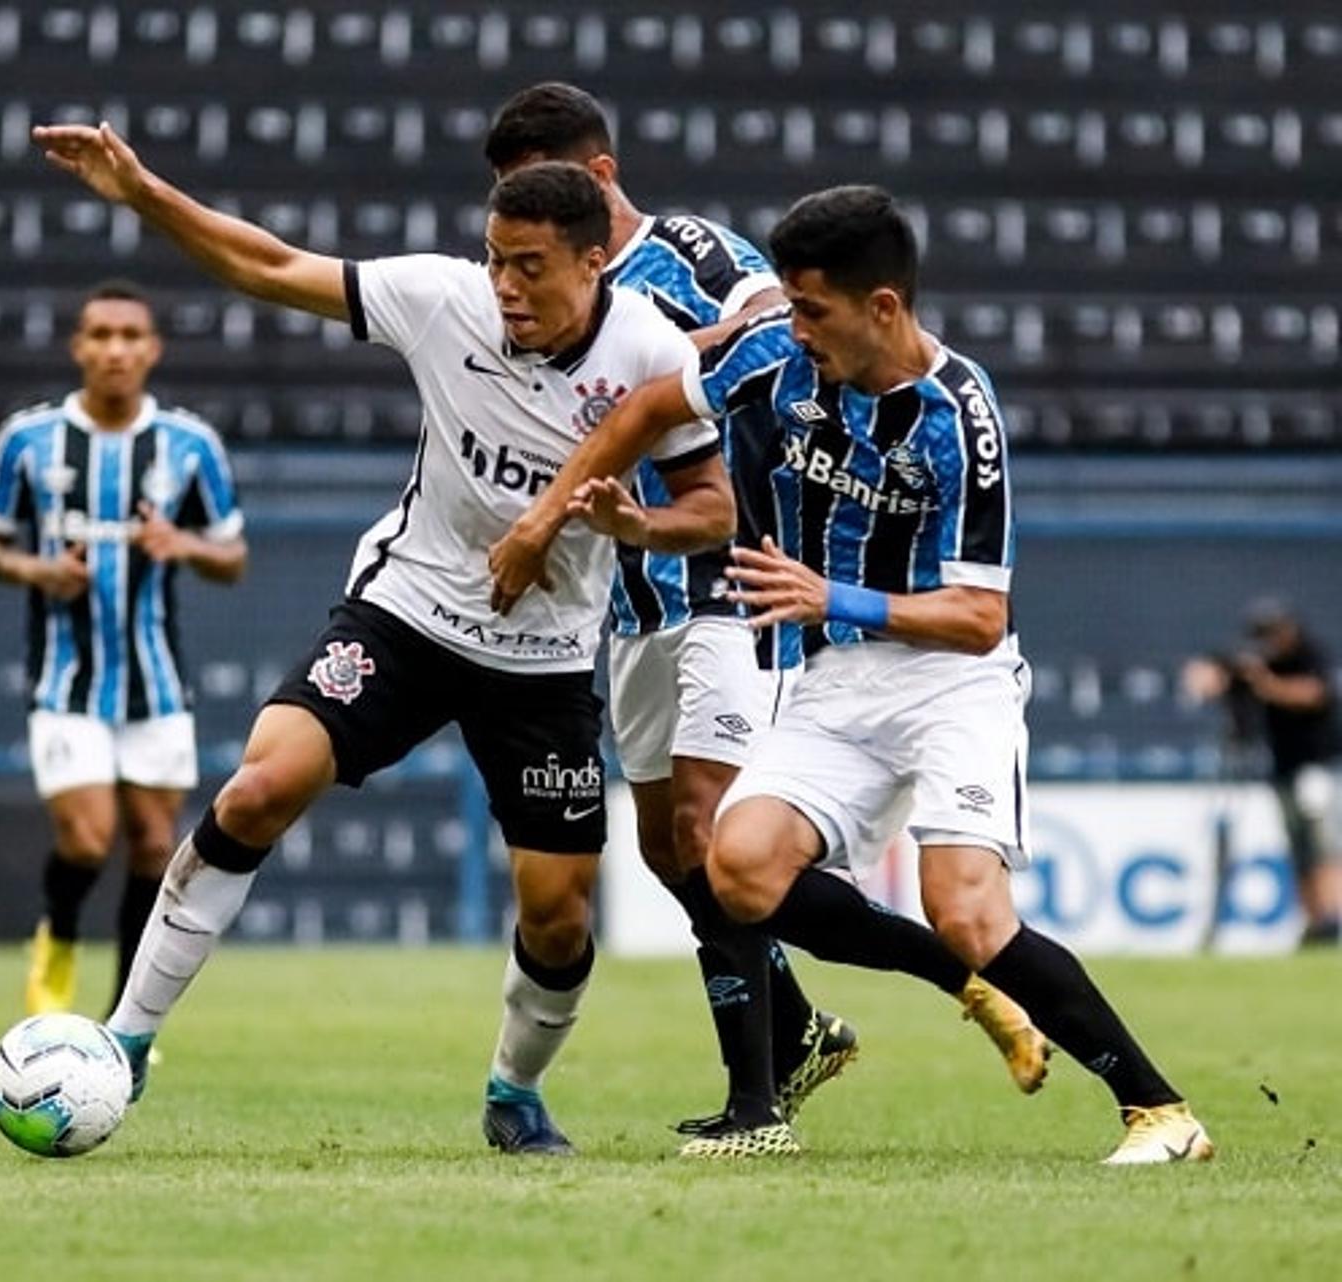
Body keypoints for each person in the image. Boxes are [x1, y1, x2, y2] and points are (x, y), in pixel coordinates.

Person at [35, 119, 732, 1155]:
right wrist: (144, 195)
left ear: (595, 262)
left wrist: (637, 527)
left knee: (557, 914)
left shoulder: (650, 354)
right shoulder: (443, 298)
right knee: (259, 787)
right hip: (407, 609)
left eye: (530, 267)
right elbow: (268, 264)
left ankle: (514, 1089)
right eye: (497, 258)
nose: (504, 285)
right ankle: (125, 1041)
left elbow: (712, 510)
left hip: (542, 659)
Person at [491, 185, 1212, 1165]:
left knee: (964, 908)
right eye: (788, 306)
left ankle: (1159, 1108)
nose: (794, 329)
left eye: (812, 310)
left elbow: (979, 616)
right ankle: (873, 1029)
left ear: (884, 308)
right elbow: (657, 404)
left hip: (950, 679)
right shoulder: (775, 359)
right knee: (736, 868)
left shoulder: (959, 415)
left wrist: (835, 595)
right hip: (835, 680)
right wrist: (572, 514)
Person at [483, 84, 1045, 1157]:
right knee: (675, 855)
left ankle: (764, 1100)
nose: (520, 251)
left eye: (541, 210)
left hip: (726, 581)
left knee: (708, 827)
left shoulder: (691, 254)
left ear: (596, 181)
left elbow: (774, 332)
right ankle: (798, 1033)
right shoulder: (519, 285)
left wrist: (666, 359)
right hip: (633, 592)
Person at [0, 281, 249, 1017]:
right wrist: (36, 569)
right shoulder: (28, 441)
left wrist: (179, 543)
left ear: (152, 349)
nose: (116, 349)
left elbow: (232, 557)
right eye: (100, 335)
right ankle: (58, 937)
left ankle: (125, 1015)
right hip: (65, 681)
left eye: (131, 336)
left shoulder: (189, 446)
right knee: (89, 840)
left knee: (156, 849)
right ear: (78, 347)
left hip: (156, 683)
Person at [1184, 598, 1342, 945]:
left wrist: (1266, 684)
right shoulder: (1256, 662)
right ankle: (1315, 921)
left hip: (1315, 764)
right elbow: (1209, 675)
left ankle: (1333, 916)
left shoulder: (1309, 655)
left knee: (1323, 843)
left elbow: (1314, 694)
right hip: (1282, 767)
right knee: (1299, 847)